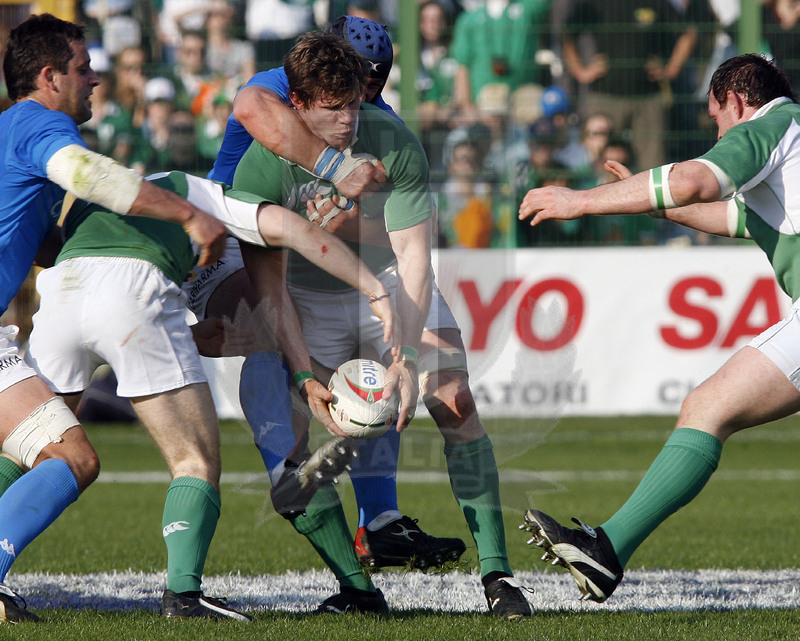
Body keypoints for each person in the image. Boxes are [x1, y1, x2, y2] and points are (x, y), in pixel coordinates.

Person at [233, 30, 534, 619]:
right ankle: (357, 589)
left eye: (354, 103)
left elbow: (415, 256)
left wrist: (409, 358)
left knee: (455, 399)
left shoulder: (392, 138)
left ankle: (498, 578)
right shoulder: (259, 167)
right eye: (332, 108)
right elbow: (270, 288)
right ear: (297, 105)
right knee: (290, 461)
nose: (348, 120)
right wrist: (304, 375)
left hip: (390, 280)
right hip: (305, 297)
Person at [25, 170, 396, 619]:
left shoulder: (92, 203)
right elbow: (293, 233)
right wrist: (372, 294)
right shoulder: (210, 192)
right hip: (161, 277)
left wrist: (186, 333)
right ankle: (194, 586)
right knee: (200, 459)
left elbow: (56, 249)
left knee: (30, 446)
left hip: (63, 293)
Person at [517, 53, 800, 604]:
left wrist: (581, 201)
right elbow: (738, 218)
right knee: (707, 407)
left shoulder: (770, 126)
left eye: (716, 119)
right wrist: (647, 203)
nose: (717, 133)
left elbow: (692, 182)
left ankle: (607, 553)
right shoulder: (791, 139)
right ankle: (607, 551)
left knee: (707, 408)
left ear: (736, 101)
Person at [0, 13, 226, 623]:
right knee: (72, 458)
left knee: (30, 448)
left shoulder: (9, 133)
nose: (95, 80)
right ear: (49, 77)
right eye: (83, 68)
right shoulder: (37, 122)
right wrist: (189, 215)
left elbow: (38, 242)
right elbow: (88, 174)